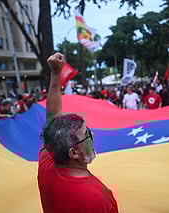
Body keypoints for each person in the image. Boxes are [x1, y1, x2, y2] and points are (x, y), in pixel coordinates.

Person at [38, 53, 118, 213]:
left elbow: (52, 120)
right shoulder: (97, 198)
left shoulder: (46, 168)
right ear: (74, 153)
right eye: (86, 134)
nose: (92, 136)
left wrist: (55, 74)